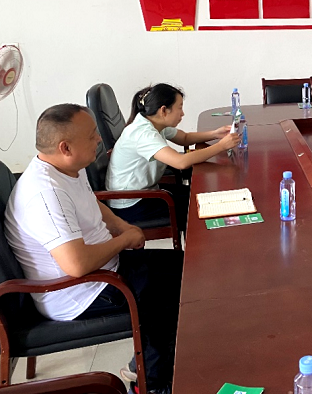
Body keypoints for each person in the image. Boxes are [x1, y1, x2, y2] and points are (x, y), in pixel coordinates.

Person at [4, 104, 183, 393]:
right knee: (168, 296)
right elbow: (76, 266)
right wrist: (124, 240)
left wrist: (122, 226)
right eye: (92, 136)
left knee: (187, 268)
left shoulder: (67, 168)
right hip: (81, 291)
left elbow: (92, 202)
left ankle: (146, 364)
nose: (99, 139)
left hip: (105, 268)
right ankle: (151, 383)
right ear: (65, 147)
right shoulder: (46, 194)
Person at [106, 84, 239, 231]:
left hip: (145, 191)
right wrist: (221, 146)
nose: (182, 113)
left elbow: (184, 138)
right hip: (131, 204)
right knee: (200, 207)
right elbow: (181, 162)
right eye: (179, 108)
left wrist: (215, 134)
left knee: (200, 195)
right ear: (164, 110)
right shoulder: (143, 134)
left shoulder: (154, 122)